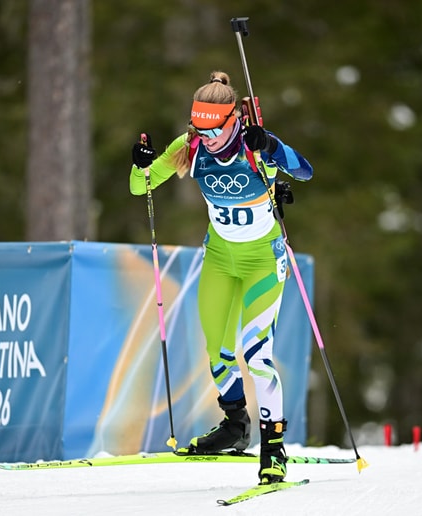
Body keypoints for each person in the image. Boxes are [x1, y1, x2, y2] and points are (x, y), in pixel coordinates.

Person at [129, 70, 313, 485]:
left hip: (262, 262)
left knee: (257, 354)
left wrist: (272, 146)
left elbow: (305, 171)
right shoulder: (191, 146)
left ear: (234, 120)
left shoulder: (254, 147)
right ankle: (235, 426)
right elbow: (141, 187)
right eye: (199, 129)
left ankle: (274, 448)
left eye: (214, 130)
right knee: (217, 351)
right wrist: (140, 166)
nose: (206, 138)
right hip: (218, 260)